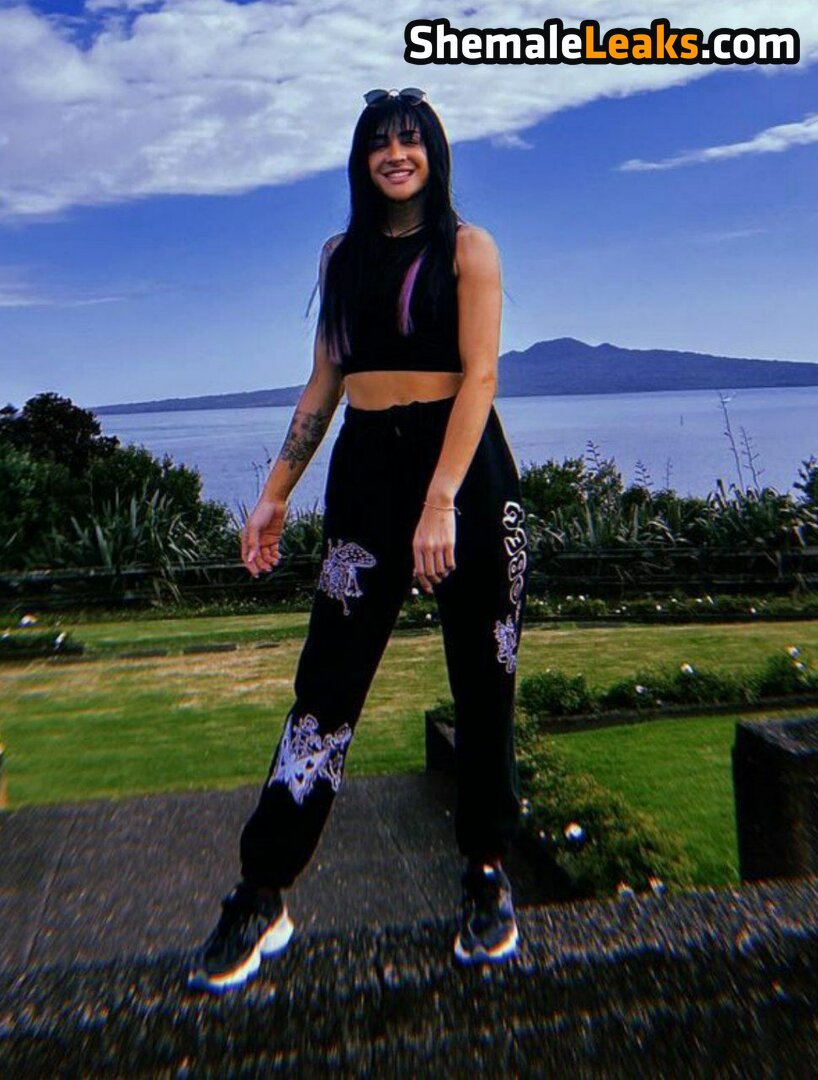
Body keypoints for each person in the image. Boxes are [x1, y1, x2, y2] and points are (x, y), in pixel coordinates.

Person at [188, 86, 530, 994]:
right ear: (362, 160)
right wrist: (273, 495)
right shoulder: (340, 257)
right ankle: (263, 893)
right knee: (326, 690)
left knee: (485, 683)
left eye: (411, 141)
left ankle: (487, 874)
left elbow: (481, 375)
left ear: (434, 155)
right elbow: (324, 383)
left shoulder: (468, 247)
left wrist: (440, 500)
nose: (396, 155)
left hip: (465, 475)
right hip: (368, 469)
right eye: (380, 143)